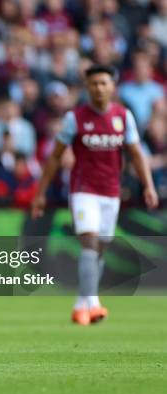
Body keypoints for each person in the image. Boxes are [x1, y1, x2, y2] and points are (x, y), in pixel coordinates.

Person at [31, 65, 159, 325]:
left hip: (111, 193)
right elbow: (55, 157)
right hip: (83, 191)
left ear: (112, 87)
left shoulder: (123, 117)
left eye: (103, 83)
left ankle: (82, 303)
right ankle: (94, 303)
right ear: (87, 87)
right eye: (94, 83)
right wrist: (41, 193)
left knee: (99, 249)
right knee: (89, 242)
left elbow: (136, 154)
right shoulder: (75, 118)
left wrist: (148, 185)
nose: (99, 88)